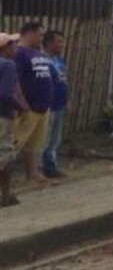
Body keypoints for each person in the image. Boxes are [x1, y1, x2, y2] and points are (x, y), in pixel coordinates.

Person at [12, 22, 54, 186]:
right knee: (15, 142)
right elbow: (16, 81)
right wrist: (22, 103)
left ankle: (32, 173)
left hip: (43, 106)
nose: (42, 39)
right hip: (29, 106)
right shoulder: (19, 53)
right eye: (40, 35)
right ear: (30, 33)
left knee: (34, 144)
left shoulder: (38, 53)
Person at [40, 29, 69, 180]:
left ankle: (51, 166)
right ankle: (42, 168)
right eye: (58, 41)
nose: (61, 45)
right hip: (48, 105)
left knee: (54, 139)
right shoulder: (42, 60)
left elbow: (63, 80)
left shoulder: (59, 60)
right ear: (49, 42)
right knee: (45, 138)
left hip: (59, 104)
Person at [0, 32, 22, 207]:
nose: (15, 48)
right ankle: (5, 195)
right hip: (2, 116)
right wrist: (20, 107)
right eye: (12, 45)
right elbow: (5, 94)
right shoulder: (8, 65)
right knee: (5, 156)